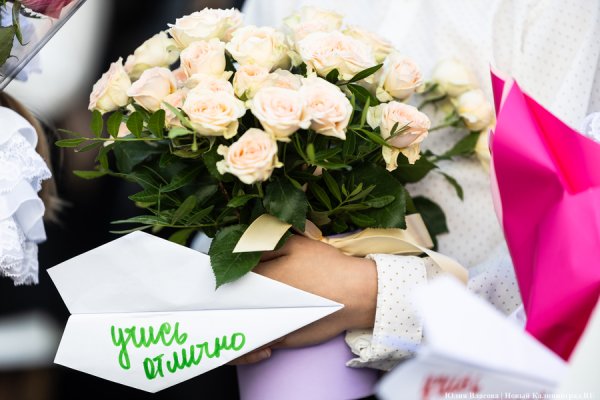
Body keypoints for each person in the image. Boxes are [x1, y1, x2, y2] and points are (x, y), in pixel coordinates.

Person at [233, 0, 600, 370]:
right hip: (266, 353)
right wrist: (224, 299)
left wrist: (368, 292)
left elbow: (569, 272)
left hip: (472, 378)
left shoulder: (557, 11)